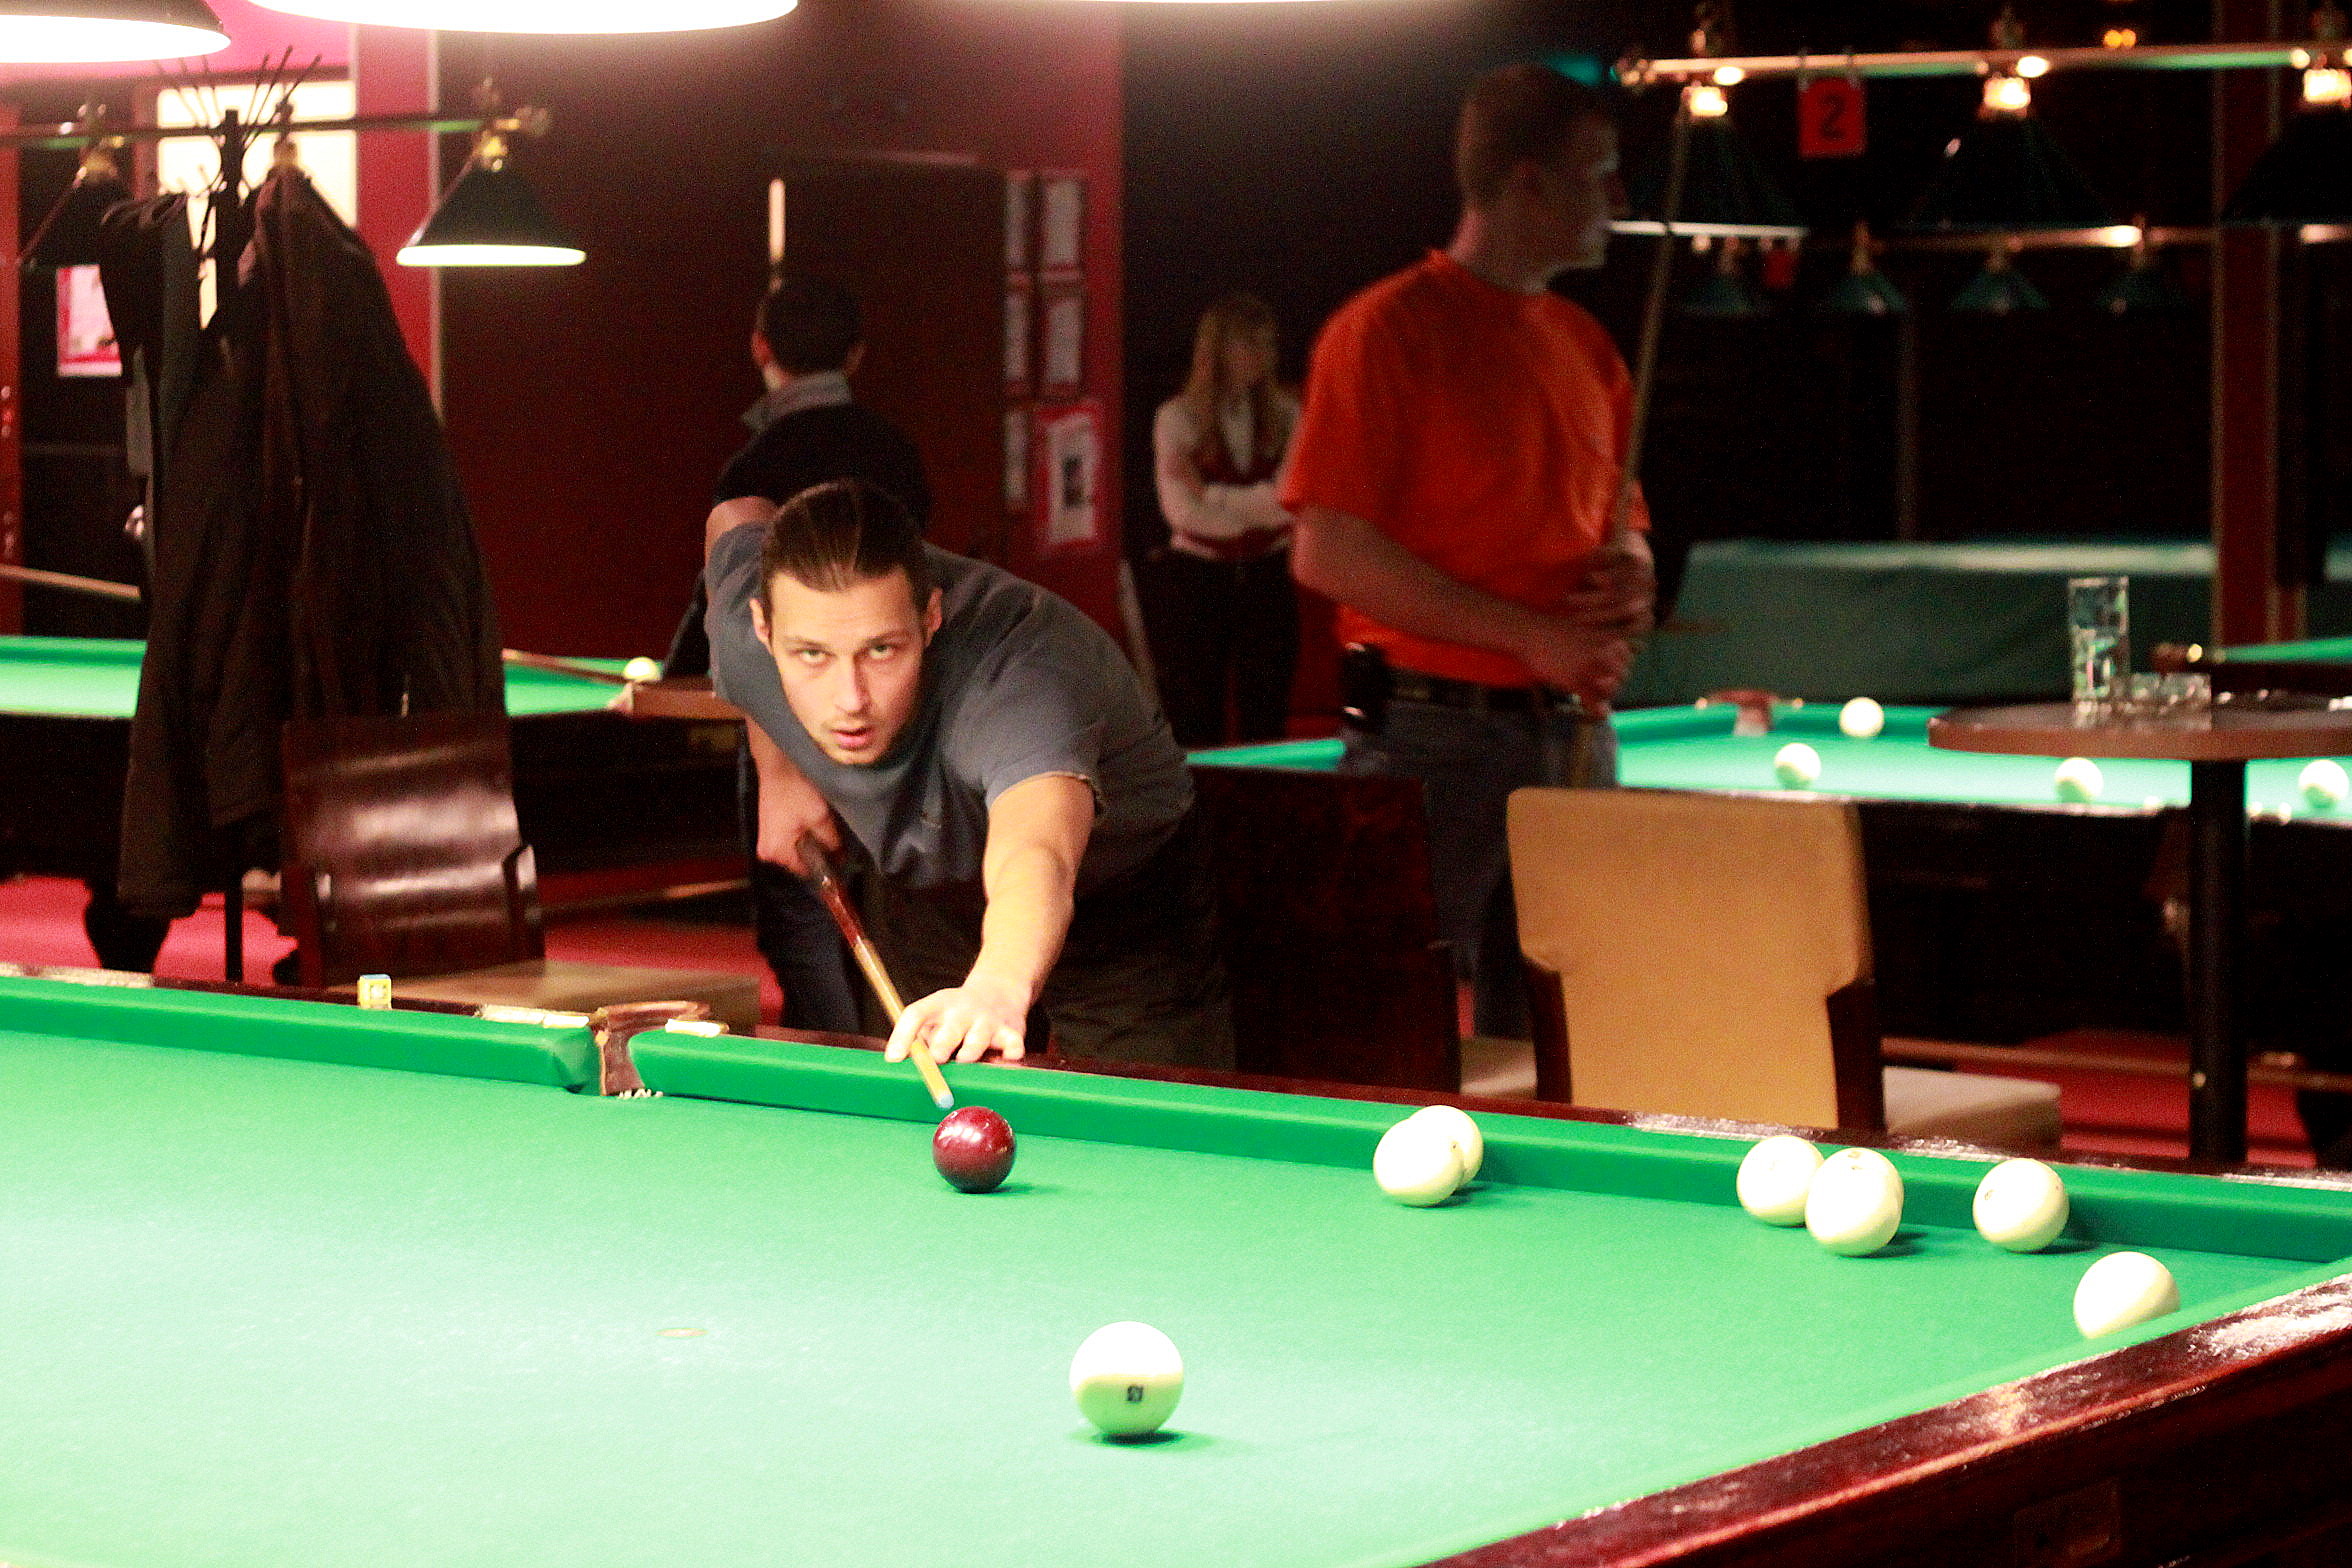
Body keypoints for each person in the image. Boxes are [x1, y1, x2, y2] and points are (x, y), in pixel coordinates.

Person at [1281, 63, 1656, 1040]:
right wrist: (1533, 637)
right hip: (1427, 735)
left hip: (1573, 728)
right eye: (1599, 173)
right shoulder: (1383, 332)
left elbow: (1622, 518)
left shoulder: (1585, 342)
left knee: (1575, 1029)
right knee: (1385, 1028)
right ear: (1528, 182)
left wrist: (1634, 574)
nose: (1620, 199)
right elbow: (1327, 553)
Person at [703, 478, 1234, 1069]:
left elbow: (1037, 852)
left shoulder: (1023, 680)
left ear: (931, 616)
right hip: (928, 884)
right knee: (919, 1094)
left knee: (1143, 1110)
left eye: (882, 650)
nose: (850, 699)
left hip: (1121, 899)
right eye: (812, 655)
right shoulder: (743, 634)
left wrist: (999, 983)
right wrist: (779, 774)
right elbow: (736, 513)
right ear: (763, 628)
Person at [666, 273, 931, 1035]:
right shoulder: (895, 449)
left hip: (786, 711)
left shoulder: (756, 462)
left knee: (798, 912)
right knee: (887, 901)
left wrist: (674, 673)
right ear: (856, 354)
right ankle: (877, 1045)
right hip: (895, 705)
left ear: (760, 347)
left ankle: (832, 1055)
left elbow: (725, 595)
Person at [1150, 293, 1301, 746]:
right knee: (1196, 714)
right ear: (1218, 350)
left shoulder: (1287, 414)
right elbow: (1182, 514)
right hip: (1198, 576)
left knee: (1267, 713)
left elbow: (1292, 501)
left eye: (1267, 344)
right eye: (1249, 344)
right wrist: (1258, 506)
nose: (1262, 356)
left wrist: (1211, 494)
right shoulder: (1177, 417)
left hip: (1267, 574)